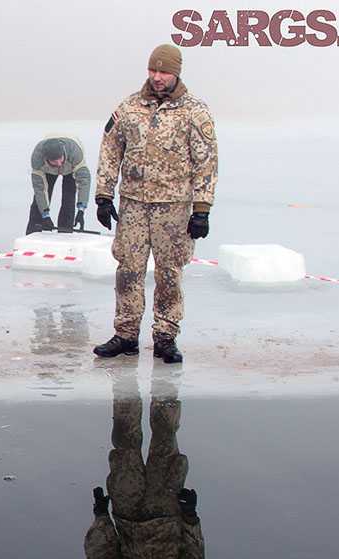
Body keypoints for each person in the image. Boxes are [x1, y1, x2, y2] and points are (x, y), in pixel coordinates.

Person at [92, 44, 218, 364]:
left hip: (173, 208)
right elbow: (110, 150)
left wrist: (201, 209)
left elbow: (206, 162)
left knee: (169, 274)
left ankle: (165, 336)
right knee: (128, 271)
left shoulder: (194, 111)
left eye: (163, 71)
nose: (157, 77)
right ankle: (126, 335)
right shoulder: (130, 107)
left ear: (176, 72)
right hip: (133, 205)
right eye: (153, 70)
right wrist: (104, 195)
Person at [85, 368, 204, 559]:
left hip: (127, 509)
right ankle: (165, 383)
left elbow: (99, 554)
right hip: (165, 508)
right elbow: (193, 552)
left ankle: (125, 386)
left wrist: (101, 516)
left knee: (125, 445)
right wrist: (190, 516)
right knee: (165, 439)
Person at [26, 133, 91, 235]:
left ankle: (65, 232)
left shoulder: (75, 153)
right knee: (39, 201)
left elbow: (84, 180)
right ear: (47, 159)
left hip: (70, 166)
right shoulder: (37, 159)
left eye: (60, 160)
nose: (59, 164)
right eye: (55, 162)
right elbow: (40, 189)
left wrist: (81, 210)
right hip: (48, 169)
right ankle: (32, 232)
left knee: (68, 198)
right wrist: (45, 215)